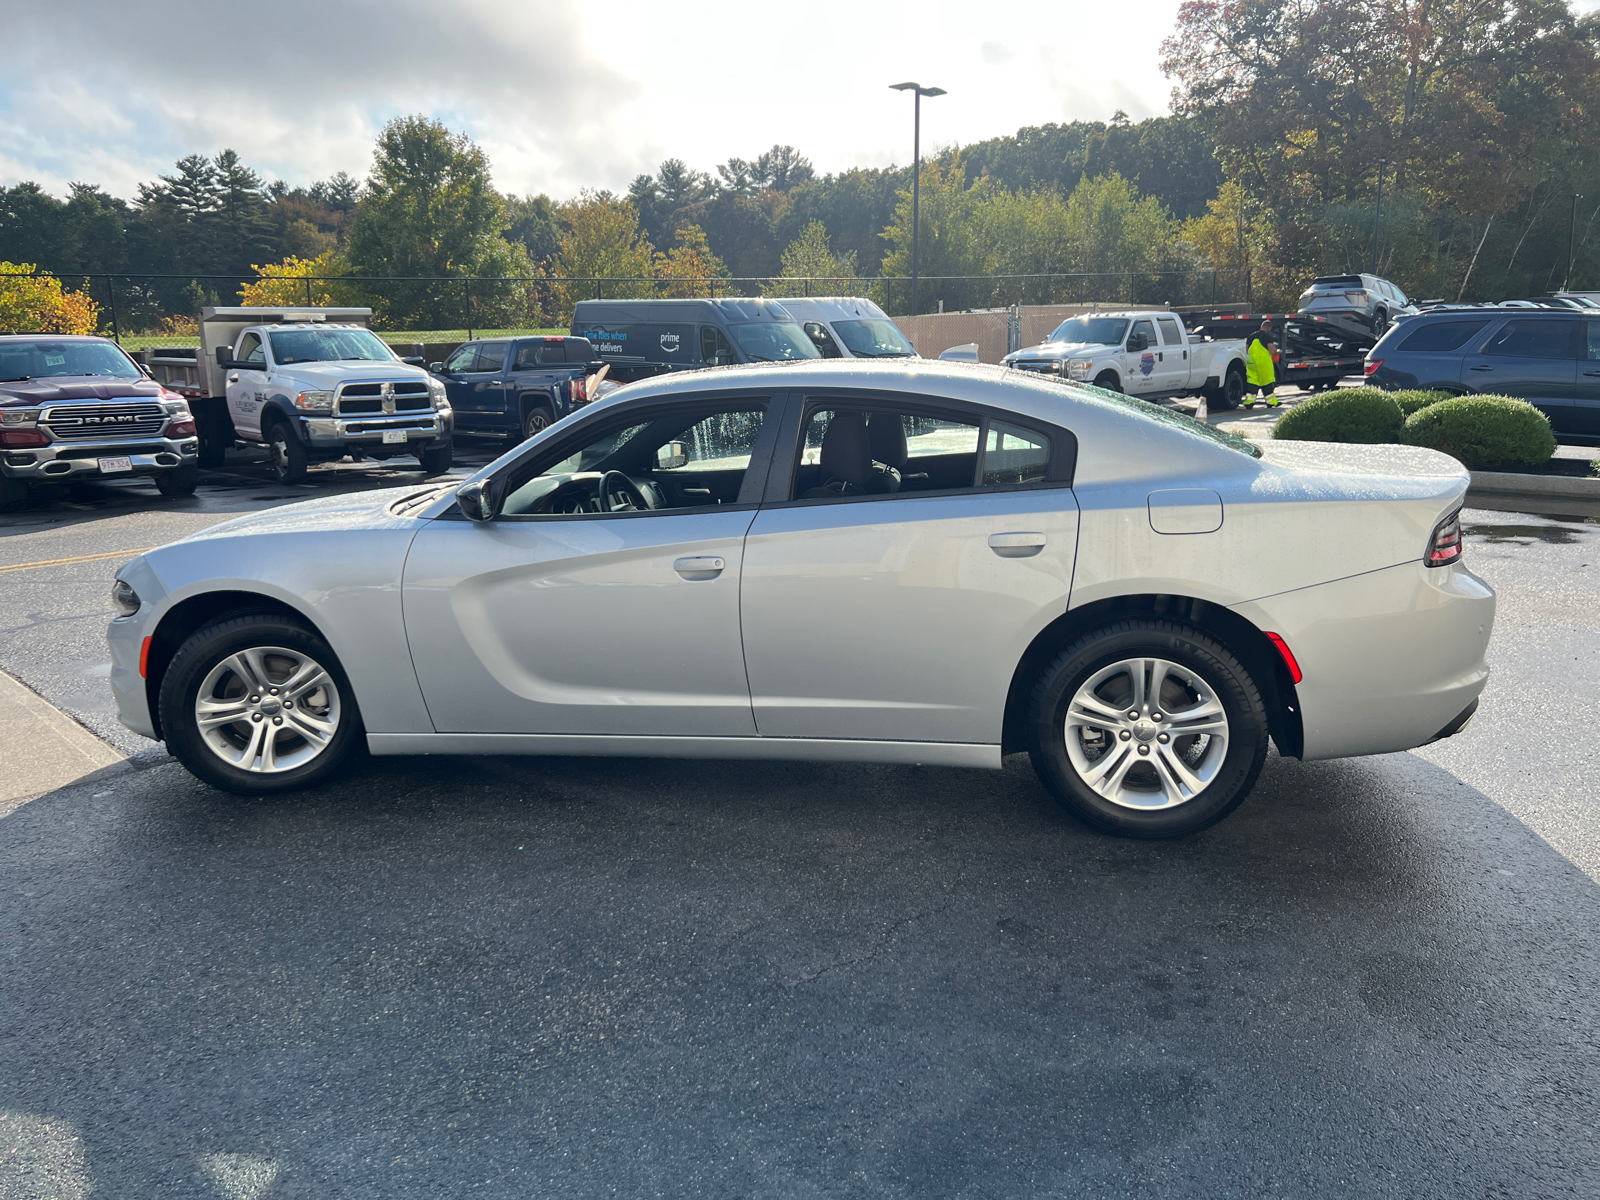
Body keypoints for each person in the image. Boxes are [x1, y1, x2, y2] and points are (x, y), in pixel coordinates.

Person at [1243, 318, 1279, 408]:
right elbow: (1272, 351)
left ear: (1261, 326)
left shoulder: (1251, 336)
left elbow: (1247, 350)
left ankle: (1249, 402)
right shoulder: (1267, 336)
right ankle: (1271, 402)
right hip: (1263, 362)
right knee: (1267, 381)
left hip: (1251, 362)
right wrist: (1279, 351)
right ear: (1269, 328)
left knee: (1252, 381)